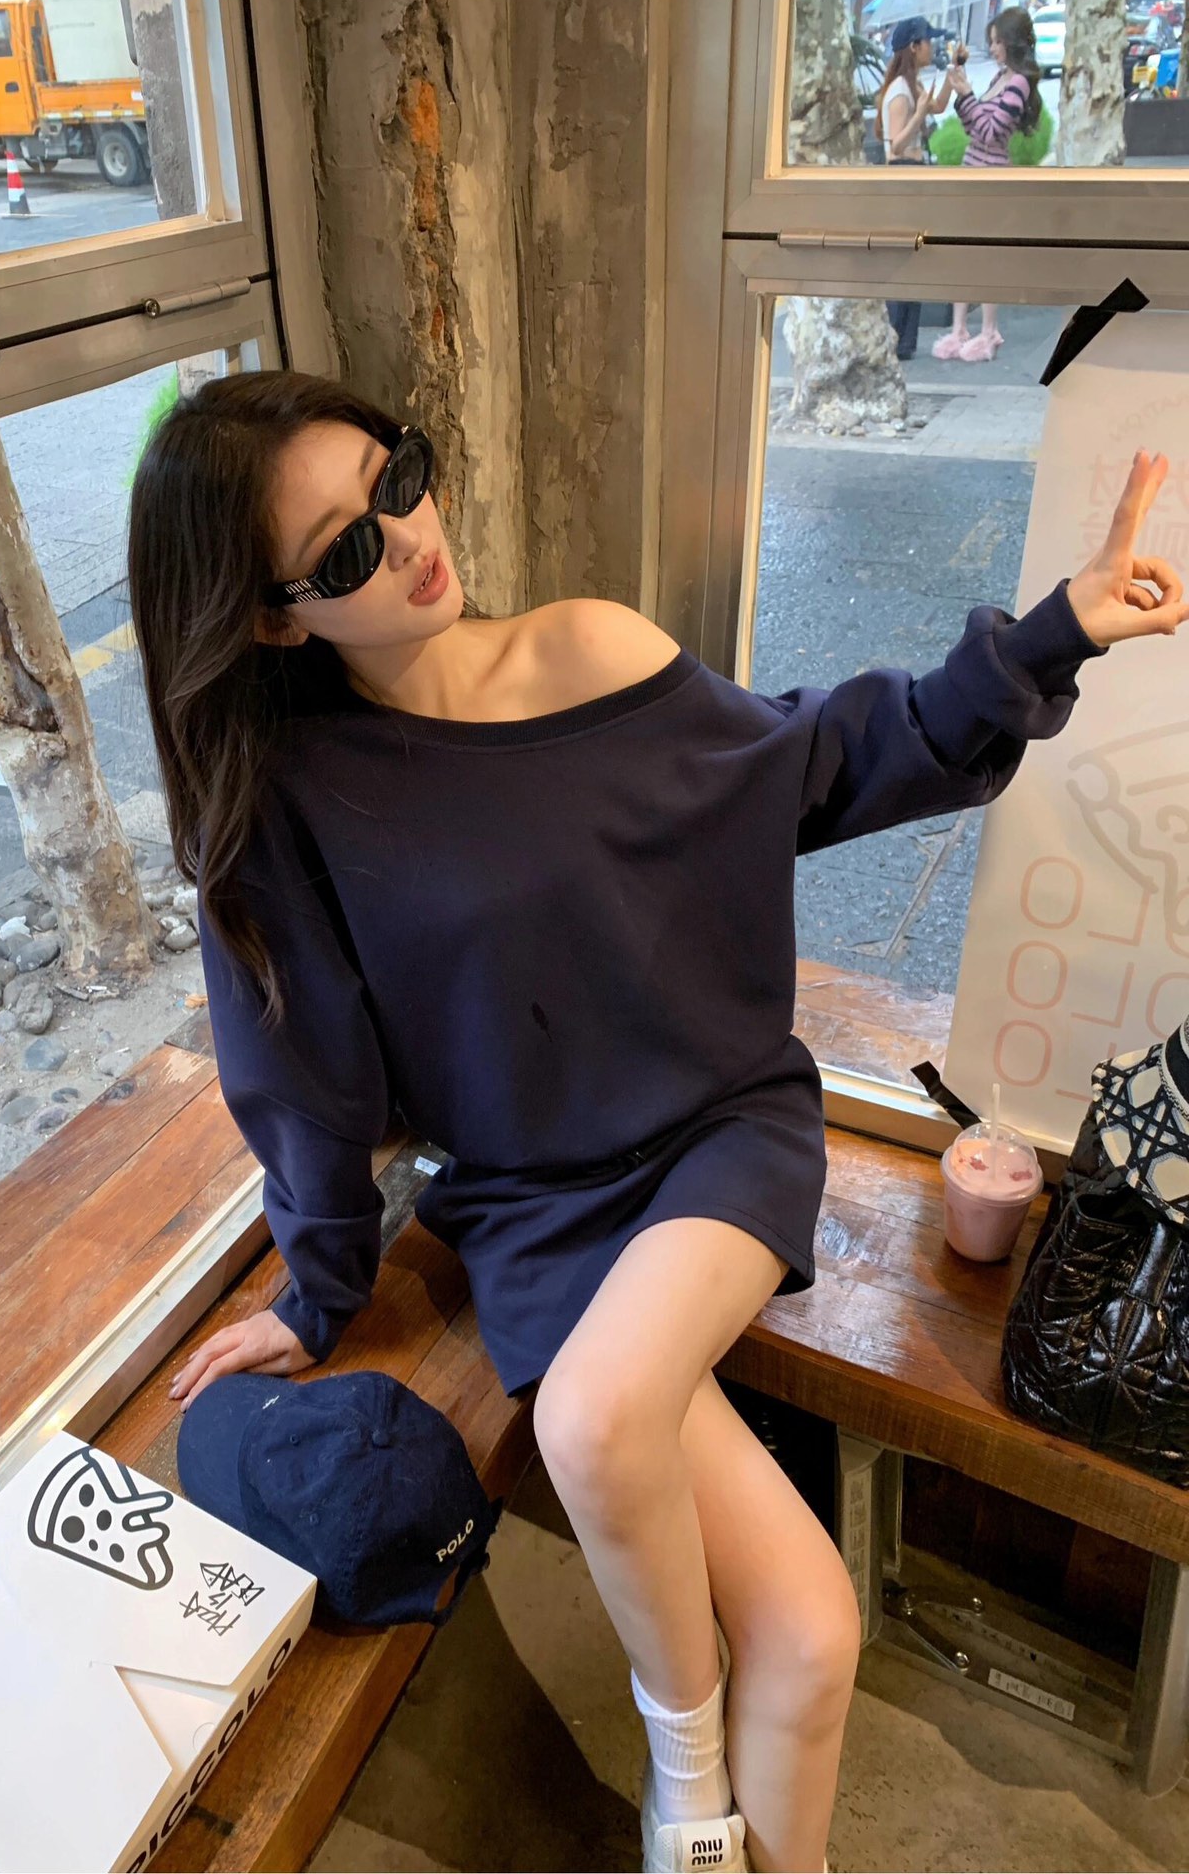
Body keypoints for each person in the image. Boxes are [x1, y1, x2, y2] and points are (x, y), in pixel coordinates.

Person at [128, 371, 1185, 1874]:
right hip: (536, 1204)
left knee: (590, 1415)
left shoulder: (590, 649)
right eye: (347, 548)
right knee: (809, 1635)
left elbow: (819, 762)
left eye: (399, 478)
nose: (412, 536)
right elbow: (301, 1085)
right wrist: (314, 1295)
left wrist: (1048, 636)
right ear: (275, 619)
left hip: (714, 1136)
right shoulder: (295, 803)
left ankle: (679, 1798)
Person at [934, 7, 1044, 361]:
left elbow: (993, 131)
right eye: (992, 42)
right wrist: (963, 94)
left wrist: (967, 96)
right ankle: (959, 330)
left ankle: (988, 331)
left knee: (985, 256)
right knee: (962, 252)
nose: (993, 48)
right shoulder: (1000, 77)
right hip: (973, 171)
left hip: (992, 178)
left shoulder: (1019, 82)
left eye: (997, 42)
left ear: (1012, 42)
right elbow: (975, 126)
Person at [876, 16, 954, 358]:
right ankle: (896, 338)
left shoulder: (914, 85)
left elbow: (939, 106)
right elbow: (895, 145)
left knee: (917, 258)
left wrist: (953, 72)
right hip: (902, 174)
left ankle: (906, 341)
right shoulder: (899, 91)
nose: (931, 47)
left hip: (914, 173)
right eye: (927, 41)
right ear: (913, 46)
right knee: (904, 258)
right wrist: (920, 114)